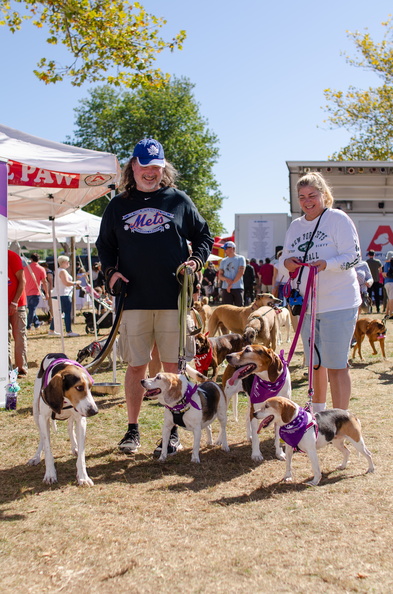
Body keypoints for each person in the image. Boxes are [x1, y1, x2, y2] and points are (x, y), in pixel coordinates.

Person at [96, 138, 213, 455]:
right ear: (132, 166)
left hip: (172, 301)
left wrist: (196, 261)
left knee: (172, 369)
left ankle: (171, 431)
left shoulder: (177, 200)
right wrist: (110, 273)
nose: (150, 173)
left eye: (156, 168)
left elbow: (204, 235)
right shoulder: (118, 205)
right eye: (144, 166)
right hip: (133, 300)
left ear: (163, 169)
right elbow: (104, 246)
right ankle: (132, 430)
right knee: (137, 367)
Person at [280, 171, 361, 412]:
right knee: (315, 363)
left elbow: (353, 257)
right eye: (302, 196)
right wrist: (288, 263)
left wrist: (327, 264)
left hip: (339, 302)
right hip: (307, 305)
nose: (307, 201)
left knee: (336, 364)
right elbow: (283, 258)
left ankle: (339, 420)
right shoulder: (295, 226)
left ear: (324, 195)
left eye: (312, 195)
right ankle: (317, 415)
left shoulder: (337, 219)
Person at [48, 255, 81, 337]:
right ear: (63, 262)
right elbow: (66, 282)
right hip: (63, 294)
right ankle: (69, 331)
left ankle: (52, 329)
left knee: (58, 312)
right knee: (67, 313)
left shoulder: (58, 270)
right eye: (67, 262)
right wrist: (75, 283)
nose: (68, 263)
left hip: (58, 294)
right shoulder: (62, 271)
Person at [8, 250, 28, 377]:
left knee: (19, 335)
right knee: (3, 338)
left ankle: (21, 367)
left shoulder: (11, 256)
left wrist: (14, 302)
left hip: (18, 303)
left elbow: (22, 281)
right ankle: (7, 367)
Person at [24, 253, 49, 330]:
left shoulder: (26, 268)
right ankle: (28, 325)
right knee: (32, 309)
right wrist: (47, 293)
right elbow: (44, 282)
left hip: (26, 291)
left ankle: (36, 323)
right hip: (35, 292)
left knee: (31, 309)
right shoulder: (41, 269)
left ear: (31, 259)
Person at [218, 241, 245, 306]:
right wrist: (225, 279)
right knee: (226, 310)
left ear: (232, 248)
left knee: (239, 309)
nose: (224, 251)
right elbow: (220, 275)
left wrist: (231, 284)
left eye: (225, 249)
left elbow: (241, 272)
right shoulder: (223, 261)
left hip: (237, 287)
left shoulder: (240, 258)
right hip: (225, 288)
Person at [382, 251, 393, 319]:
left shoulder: (386, 264)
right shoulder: (391, 264)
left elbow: (383, 273)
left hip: (386, 282)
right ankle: (391, 313)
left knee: (389, 298)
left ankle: (387, 313)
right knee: (391, 299)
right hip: (391, 282)